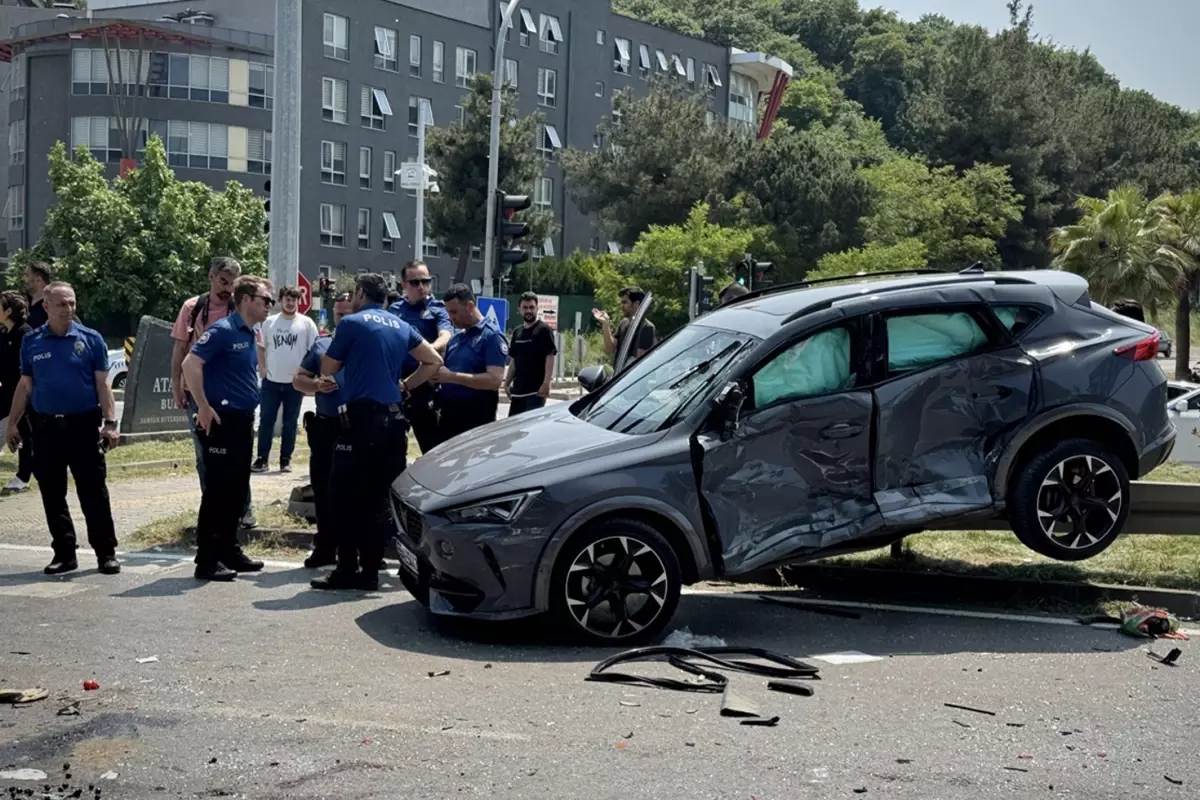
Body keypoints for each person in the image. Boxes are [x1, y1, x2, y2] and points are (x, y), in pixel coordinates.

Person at [312, 274, 442, 591]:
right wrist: (405, 385)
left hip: (360, 420)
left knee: (342, 495)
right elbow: (434, 361)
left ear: (359, 293)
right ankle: (370, 570)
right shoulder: (400, 325)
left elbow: (328, 367)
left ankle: (346, 567)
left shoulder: (352, 323)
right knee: (379, 498)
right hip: (394, 420)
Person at [4, 282, 120, 576]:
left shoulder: (90, 339)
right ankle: (65, 553)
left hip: (82, 426)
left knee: (93, 492)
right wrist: (13, 422)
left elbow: (102, 384)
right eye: (62, 304)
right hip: (45, 427)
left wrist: (110, 423)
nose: (69, 309)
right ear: (46, 307)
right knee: (52, 493)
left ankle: (106, 553)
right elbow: (25, 385)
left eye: (72, 303)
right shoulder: (32, 341)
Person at [181, 275, 275, 582]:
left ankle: (229, 549)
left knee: (236, 491)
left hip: (243, 420)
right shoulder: (222, 330)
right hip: (221, 420)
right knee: (218, 493)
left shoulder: (251, 332)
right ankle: (207, 559)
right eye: (265, 300)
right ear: (246, 299)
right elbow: (190, 365)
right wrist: (204, 406)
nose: (269, 306)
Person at [170, 257, 255, 529]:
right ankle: (212, 507)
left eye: (232, 283)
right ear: (210, 277)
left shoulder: (241, 309)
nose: (227, 289)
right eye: (223, 281)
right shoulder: (192, 308)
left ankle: (244, 510)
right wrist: (176, 384)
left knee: (239, 456)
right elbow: (180, 350)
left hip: (230, 397)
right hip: (197, 395)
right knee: (205, 457)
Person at [292, 291, 354, 569]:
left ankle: (360, 549)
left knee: (357, 492)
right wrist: (316, 385)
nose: (343, 318)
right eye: (339, 314)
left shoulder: (367, 344)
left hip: (358, 428)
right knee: (324, 489)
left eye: (348, 313)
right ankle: (326, 547)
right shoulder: (322, 345)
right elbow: (298, 380)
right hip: (327, 426)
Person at [387, 260, 452, 453]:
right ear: (403, 284)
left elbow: (446, 335)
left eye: (426, 281)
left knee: (430, 442)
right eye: (415, 282)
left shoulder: (438, 308)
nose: (421, 287)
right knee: (393, 440)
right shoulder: (395, 310)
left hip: (424, 381)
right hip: (396, 381)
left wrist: (429, 350)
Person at [253, 285, 318, 474]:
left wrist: (308, 376)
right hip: (271, 381)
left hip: (295, 382)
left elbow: (314, 351)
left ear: (299, 301)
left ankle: (285, 460)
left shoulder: (306, 323)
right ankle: (262, 458)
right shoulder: (269, 322)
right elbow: (261, 346)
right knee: (266, 420)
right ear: (281, 301)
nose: (290, 303)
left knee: (291, 422)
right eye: (287, 299)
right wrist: (262, 369)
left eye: (294, 300)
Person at [436, 283, 509, 442]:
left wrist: (453, 377)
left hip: (475, 417)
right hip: (449, 414)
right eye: (448, 312)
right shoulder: (456, 338)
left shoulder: (491, 337)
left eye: (454, 312)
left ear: (470, 306)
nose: (451, 317)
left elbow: (494, 380)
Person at [0, 292, 34, 492]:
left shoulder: (25, 334)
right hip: (7, 389)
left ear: (8, 312)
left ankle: (23, 477)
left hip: (22, 390)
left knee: (25, 432)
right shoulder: (4, 333)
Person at [504, 292, 557, 417]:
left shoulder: (544, 330)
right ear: (519, 310)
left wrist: (546, 383)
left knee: (531, 431)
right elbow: (514, 360)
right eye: (525, 307)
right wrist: (506, 383)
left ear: (537, 309)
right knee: (513, 431)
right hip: (517, 393)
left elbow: (550, 356)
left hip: (535, 393)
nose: (529, 311)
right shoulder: (517, 332)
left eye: (532, 307)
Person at [593, 286, 656, 365]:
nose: (621, 306)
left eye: (625, 302)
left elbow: (640, 363)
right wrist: (605, 323)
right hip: (619, 374)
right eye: (621, 302)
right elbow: (610, 348)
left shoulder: (647, 327)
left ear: (637, 303)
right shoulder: (624, 323)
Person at [22, 261, 51, 330]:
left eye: (27, 275)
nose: (23, 278)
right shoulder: (23, 301)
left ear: (38, 280)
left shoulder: (54, 303)